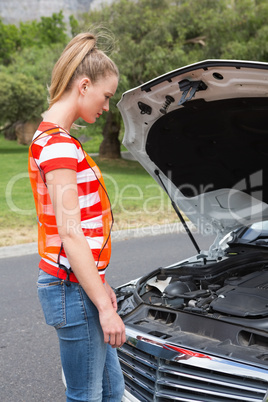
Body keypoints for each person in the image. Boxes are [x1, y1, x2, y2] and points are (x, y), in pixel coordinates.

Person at [28, 32, 126, 402]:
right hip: (69, 288)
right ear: (84, 86)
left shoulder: (56, 139)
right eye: (105, 96)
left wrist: (99, 286)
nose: (105, 107)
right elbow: (71, 234)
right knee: (87, 395)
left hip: (77, 284)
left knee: (112, 391)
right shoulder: (57, 145)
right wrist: (103, 306)